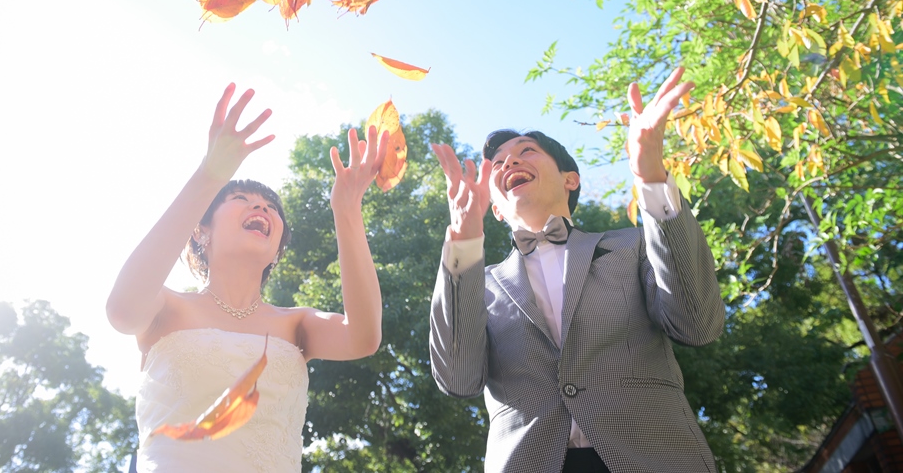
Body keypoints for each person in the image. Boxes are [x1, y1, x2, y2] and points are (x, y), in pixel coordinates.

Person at [428, 67, 725, 473]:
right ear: (495, 208)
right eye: (497, 162)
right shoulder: (477, 284)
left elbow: (698, 323)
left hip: (655, 456)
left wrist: (651, 177)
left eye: (527, 150)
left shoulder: (631, 246)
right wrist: (461, 241)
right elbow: (457, 379)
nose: (509, 160)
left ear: (571, 179)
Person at [106, 83, 387, 472]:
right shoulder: (166, 306)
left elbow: (364, 336)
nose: (262, 205)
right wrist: (209, 177)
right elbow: (121, 311)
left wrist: (347, 209)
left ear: (276, 250)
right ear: (201, 231)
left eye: (273, 207)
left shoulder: (297, 323)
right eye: (241, 199)